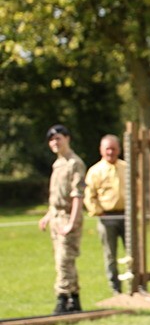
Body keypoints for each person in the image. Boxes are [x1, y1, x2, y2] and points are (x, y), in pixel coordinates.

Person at [38, 124, 86, 314]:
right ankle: (74, 300)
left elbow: (77, 196)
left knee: (64, 260)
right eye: (51, 140)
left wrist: (72, 223)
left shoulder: (75, 163)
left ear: (67, 139)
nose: (54, 143)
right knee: (64, 259)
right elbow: (56, 196)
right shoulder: (58, 164)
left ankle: (62, 298)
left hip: (68, 216)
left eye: (58, 138)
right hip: (57, 216)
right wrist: (48, 216)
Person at [84, 134, 128, 296]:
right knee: (110, 254)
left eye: (114, 148)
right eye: (107, 149)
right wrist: (98, 212)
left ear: (119, 150)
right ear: (101, 150)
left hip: (126, 216)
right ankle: (115, 288)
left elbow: (136, 190)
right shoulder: (95, 171)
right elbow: (89, 195)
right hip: (106, 217)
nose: (111, 152)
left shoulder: (126, 168)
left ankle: (135, 284)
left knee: (132, 253)